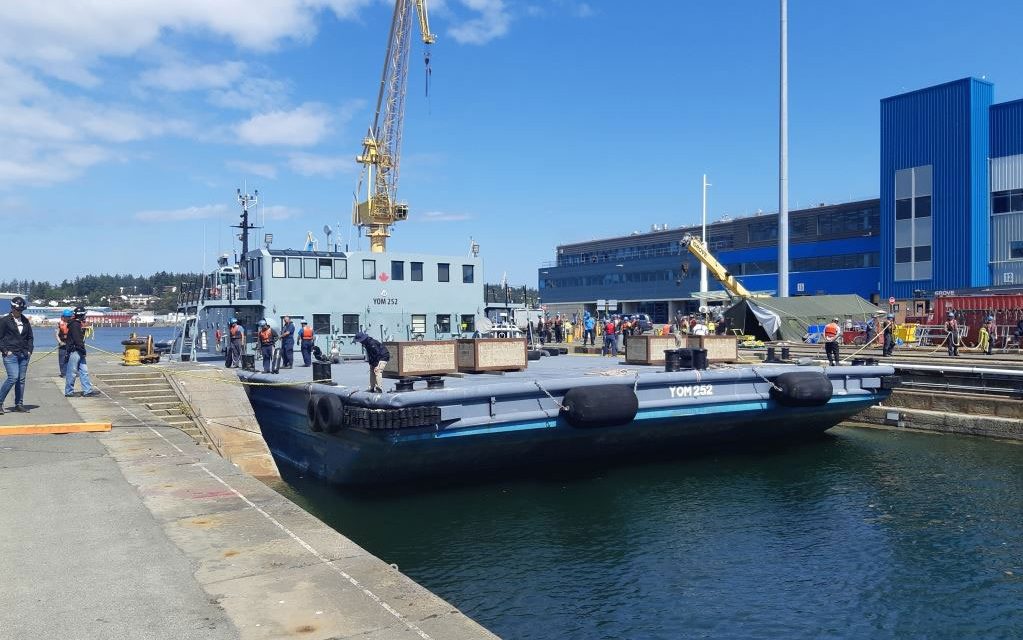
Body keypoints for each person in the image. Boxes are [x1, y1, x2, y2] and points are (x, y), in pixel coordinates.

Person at [0, 296, 34, 414]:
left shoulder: (25, 321)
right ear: (12, 308)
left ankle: (19, 404)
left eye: (21, 310)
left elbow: (30, 337)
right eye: (18, 310)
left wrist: (30, 350)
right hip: (10, 355)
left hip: (24, 354)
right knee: (13, 377)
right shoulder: (4, 321)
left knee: (21, 380)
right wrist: (5, 351)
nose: (20, 312)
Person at [64, 306, 98, 398]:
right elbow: (77, 339)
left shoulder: (77, 324)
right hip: (75, 350)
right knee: (72, 372)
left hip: (79, 350)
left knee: (84, 371)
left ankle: (87, 390)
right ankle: (68, 391)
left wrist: (82, 350)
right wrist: (83, 349)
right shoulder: (75, 324)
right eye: (84, 315)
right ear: (81, 315)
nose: (85, 316)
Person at [56, 309, 72, 378]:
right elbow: (56, 334)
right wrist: (60, 342)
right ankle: (63, 373)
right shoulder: (60, 324)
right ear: (63, 317)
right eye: (66, 316)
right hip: (62, 344)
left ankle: (70, 372)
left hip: (70, 344)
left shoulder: (72, 324)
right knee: (62, 359)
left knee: (70, 358)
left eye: (69, 317)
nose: (67, 318)